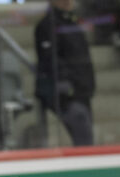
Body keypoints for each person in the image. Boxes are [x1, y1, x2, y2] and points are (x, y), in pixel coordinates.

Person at [34, 0, 96, 147]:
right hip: (66, 95)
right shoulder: (48, 25)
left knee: (86, 138)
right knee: (84, 139)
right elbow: (50, 60)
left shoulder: (72, 22)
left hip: (81, 91)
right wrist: (68, 88)